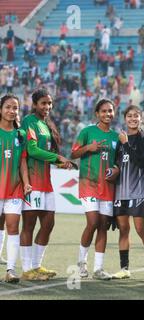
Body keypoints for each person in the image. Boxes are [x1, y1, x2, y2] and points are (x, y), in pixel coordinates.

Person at [20, 88, 73, 281]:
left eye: (49, 103)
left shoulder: (45, 124)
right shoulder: (29, 121)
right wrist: (57, 156)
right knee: (29, 225)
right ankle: (27, 270)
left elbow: (46, 153)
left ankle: (36, 265)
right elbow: (32, 151)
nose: (47, 107)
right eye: (43, 103)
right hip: (32, 181)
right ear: (35, 104)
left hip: (46, 182)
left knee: (49, 223)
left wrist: (60, 162)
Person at [71, 99, 119, 280]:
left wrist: (116, 170)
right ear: (97, 114)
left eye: (110, 111)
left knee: (103, 226)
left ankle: (98, 268)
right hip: (89, 184)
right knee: (92, 222)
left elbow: (119, 161)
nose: (108, 114)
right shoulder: (87, 132)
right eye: (104, 111)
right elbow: (73, 153)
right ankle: (81, 263)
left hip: (107, 187)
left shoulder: (116, 137)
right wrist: (88, 148)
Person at [110, 105, 144, 280]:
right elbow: (116, 162)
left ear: (141, 118)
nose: (133, 119)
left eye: (136, 116)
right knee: (123, 229)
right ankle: (124, 268)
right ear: (125, 118)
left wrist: (125, 143)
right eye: (129, 116)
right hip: (120, 192)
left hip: (138, 191)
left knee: (140, 229)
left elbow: (139, 161)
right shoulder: (118, 139)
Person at [0, 94, 31, 283]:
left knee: (13, 227)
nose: (12, 111)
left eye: (15, 108)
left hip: (14, 189)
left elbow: (23, 162)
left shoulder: (20, 135)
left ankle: (10, 270)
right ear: (1, 109)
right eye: (8, 107)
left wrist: (26, 182)